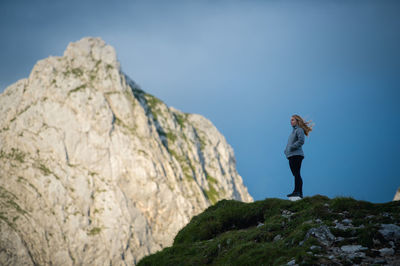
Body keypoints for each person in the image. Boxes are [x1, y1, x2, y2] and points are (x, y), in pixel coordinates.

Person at [284, 114, 314, 198]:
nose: (291, 121)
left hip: (297, 155)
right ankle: (296, 191)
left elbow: (301, 141)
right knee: (295, 174)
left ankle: (298, 192)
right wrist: (286, 151)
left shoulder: (299, 130)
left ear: (297, 121)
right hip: (291, 156)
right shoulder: (292, 132)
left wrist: (291, 147)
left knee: (297, 174)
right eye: (291, 120)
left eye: (293, 120)